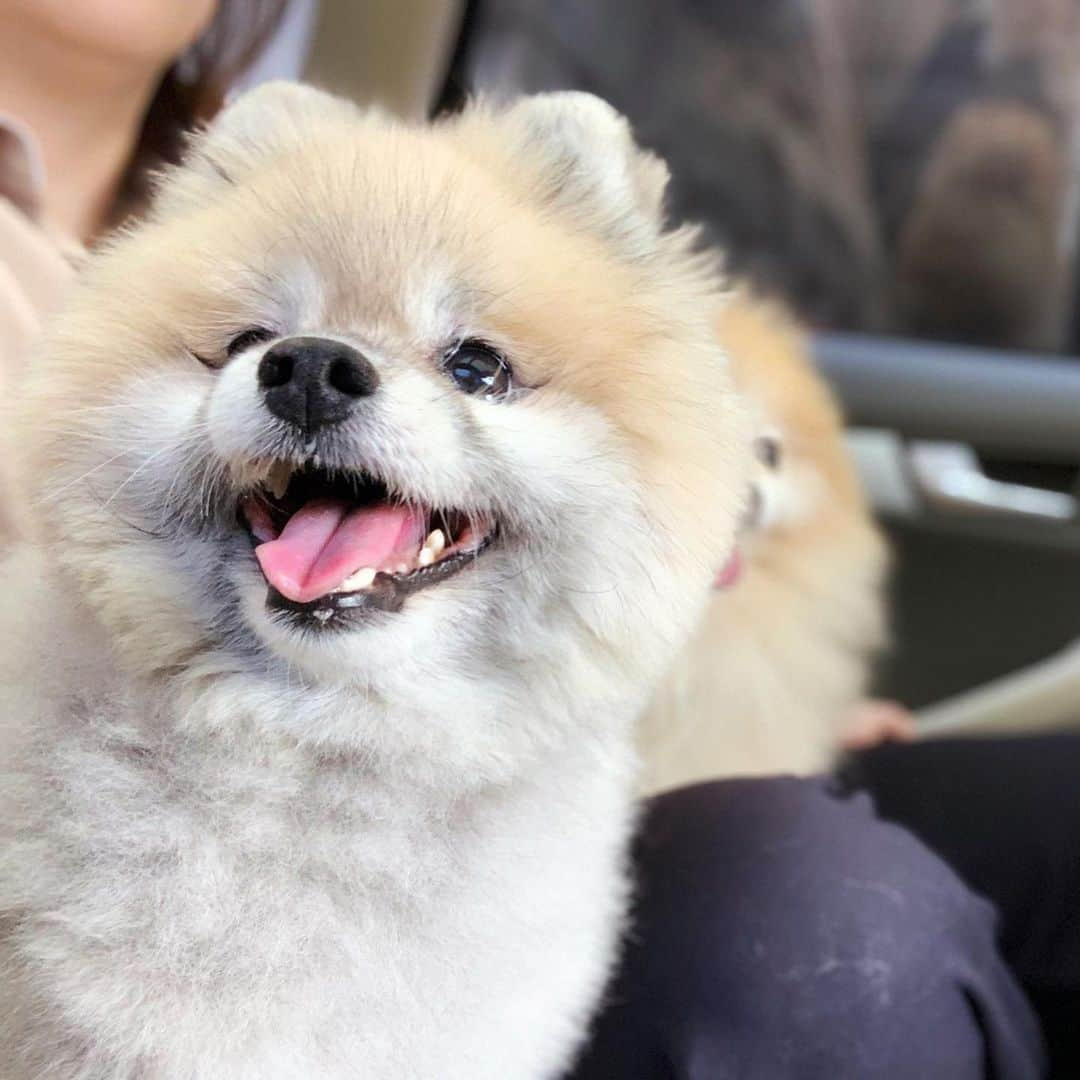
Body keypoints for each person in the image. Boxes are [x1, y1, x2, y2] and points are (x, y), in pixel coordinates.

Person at [0, 4, 1053, 1077]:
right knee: (824, 909)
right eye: (251, 343)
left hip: (524, 817)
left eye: (475, 367)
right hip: (195, 819)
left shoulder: (311, 167)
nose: (313, 370)